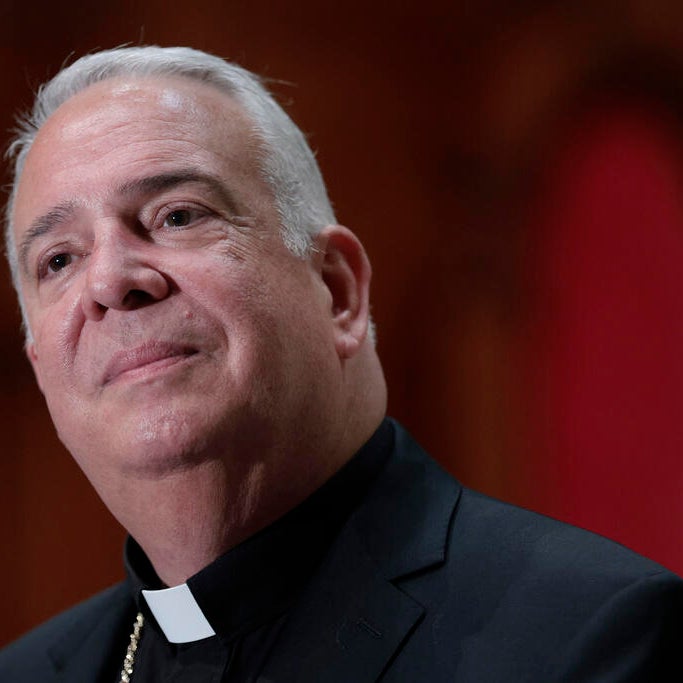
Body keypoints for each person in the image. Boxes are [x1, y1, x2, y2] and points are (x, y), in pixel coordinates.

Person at [0, 46, 680, 683]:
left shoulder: (586, 636)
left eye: (177, 215)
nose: (111, 279)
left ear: (337, 290)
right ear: (41, 367)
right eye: (58, 259)